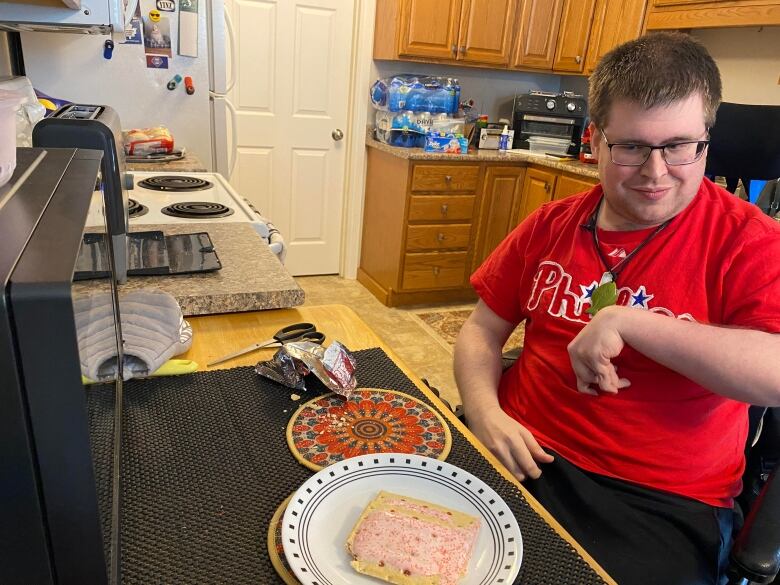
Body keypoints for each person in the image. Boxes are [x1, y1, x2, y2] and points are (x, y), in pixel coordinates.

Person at [454, 32, 780, 585]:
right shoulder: (550, 224)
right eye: (630, 147)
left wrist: (628, 321)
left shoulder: (750, 241)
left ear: (706, 139)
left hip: (658, 499)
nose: (656, 172)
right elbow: (481, 332)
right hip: (516, 444)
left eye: (679, 146)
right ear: (595, 140)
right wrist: (485, 413)